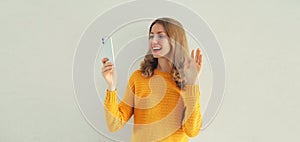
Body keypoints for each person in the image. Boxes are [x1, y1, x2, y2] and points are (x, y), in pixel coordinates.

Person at [101, 17, 203, 142]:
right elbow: (114, 124)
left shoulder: (187, 83)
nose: (153, 41)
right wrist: (111, 85)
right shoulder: (138, 78)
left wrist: (192, 82)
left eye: (160, 36)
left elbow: (192, 131)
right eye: (151, 36)